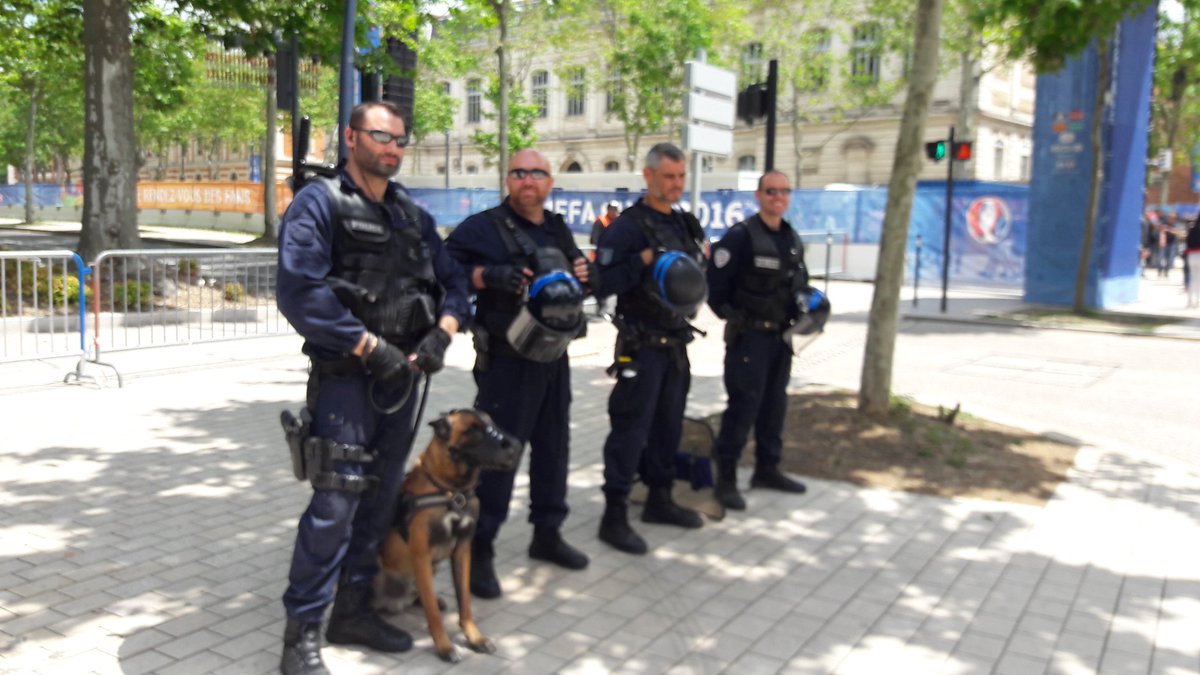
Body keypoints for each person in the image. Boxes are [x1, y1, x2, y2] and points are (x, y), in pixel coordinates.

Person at [275, 100, 470, 675]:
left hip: (403, 381)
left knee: (381, 498)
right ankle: (300, 635)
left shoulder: (409, 213)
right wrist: (368, 347)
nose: (392, 148)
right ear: (351, 137)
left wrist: (441, 334)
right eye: (381, 137)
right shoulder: (320, 203)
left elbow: (455, 282)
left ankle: (353, 610)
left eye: (400, 140)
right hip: (347, 382)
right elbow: (300, 291)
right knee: (335, 503)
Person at [445, 149, 594, 599]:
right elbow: (439, 271)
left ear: (550, 182)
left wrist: (585, 273)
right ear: (508, 179)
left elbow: (577, 277)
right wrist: (485, 276)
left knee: (554, 449)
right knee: (498, 457)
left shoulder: (556, 228)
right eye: (519, 172)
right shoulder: (482, 228)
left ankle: (547, 533)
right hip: (507, 363)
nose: (528, 180)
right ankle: (480, 549)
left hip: (554, 357)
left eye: (537, 173)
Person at [593, 142, 708, 555]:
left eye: (680, 177)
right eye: (668, 177)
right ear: (648, 176)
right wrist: (641, 259)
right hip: (639, 347)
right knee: (630, 430)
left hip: (675, 344)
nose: (676, 184)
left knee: (668, 427)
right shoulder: (627, 227)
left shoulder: (686, 224)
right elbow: (602, 283)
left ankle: (660, 499)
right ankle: (614, 515)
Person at [705, 171, 812, 511]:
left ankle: (767, 469)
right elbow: (715, 288)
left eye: (784, 191)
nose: (778, 197)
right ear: (758, 195)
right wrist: (735, 317)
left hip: (781, 337)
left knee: (774, 405)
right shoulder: (740, 236)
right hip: (749, 338)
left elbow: (800, 283)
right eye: (771, 191)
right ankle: (725, 480)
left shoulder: (790, 237)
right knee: (743, 407)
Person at [590, 201, 621, 318]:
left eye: (616, 210)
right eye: (612, 210)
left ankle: (609, 310)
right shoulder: (601, 221)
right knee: (600, 284)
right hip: (600, 259)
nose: (614, 213)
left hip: (613, 259)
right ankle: (601, 309)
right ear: (608, 210)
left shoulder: (617, 222)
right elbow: (594, 240)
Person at [1185, 215, 1200, 309]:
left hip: (1191, 255)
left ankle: (1190, 300)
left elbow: (1188, 242)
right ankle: (1197, 300)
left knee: (1193, 278)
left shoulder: (1192, 229)